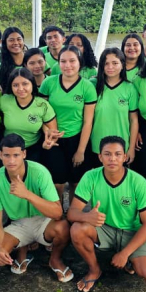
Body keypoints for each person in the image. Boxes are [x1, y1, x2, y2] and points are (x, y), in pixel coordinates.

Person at [68, 136, 146, 292]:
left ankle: (128, 259)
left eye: (117, 154)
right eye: (107, 154)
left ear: (124, 157)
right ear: (100, 157)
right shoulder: (90, 176)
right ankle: (94, 269)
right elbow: (71, 213)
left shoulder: (138, 182)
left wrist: (125, 253)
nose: (112, 159)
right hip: (105, 228)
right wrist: (86, 216)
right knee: (77, 229)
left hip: (132, 232)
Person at [0, 134, 73, 283]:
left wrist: (27, 194)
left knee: (64, 227)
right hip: (18, 224)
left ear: (24, 154)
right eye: (7, 155)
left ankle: (55, 259)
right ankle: (23, 250)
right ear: (0, 155)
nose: (11, 160)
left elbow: (58, 212)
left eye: (16, 155)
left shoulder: (40, 172)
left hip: (44, 221)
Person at [39, 45, 96, 194]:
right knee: (57, 183)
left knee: (75, 184)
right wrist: (48, 133)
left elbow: (88, 122)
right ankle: (58, 215)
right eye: (63, 61)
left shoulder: (87, 87)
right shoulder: (48, 83)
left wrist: (81, 151)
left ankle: (71, 215)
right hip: (54, 140)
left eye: (72, 61)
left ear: (80, 62)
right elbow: (41, 114)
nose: (68, 65)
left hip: (76, 139)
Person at [0, 68, 59, 165]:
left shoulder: (42, 105)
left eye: (25, 84)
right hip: (9, 150)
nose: (20, 88)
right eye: (15, 85)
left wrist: (49, 142)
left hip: (33, 150)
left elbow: (53, 132)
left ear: (32, 83)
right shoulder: (4, 101)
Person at [91, 48, 139, 165]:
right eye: (106, 63)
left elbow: (133, 120)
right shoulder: (93, 85)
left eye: (115, 63)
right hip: (96, 144)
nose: (110, 67)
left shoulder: (130, 88)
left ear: (123, 65)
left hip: (121, 146)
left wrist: (131, 148)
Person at [0, 27, 27, 91]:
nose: (16, 43)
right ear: (5, 43)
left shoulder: (33, 61)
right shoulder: (1, 68)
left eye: (19, 39)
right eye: (11, 40)